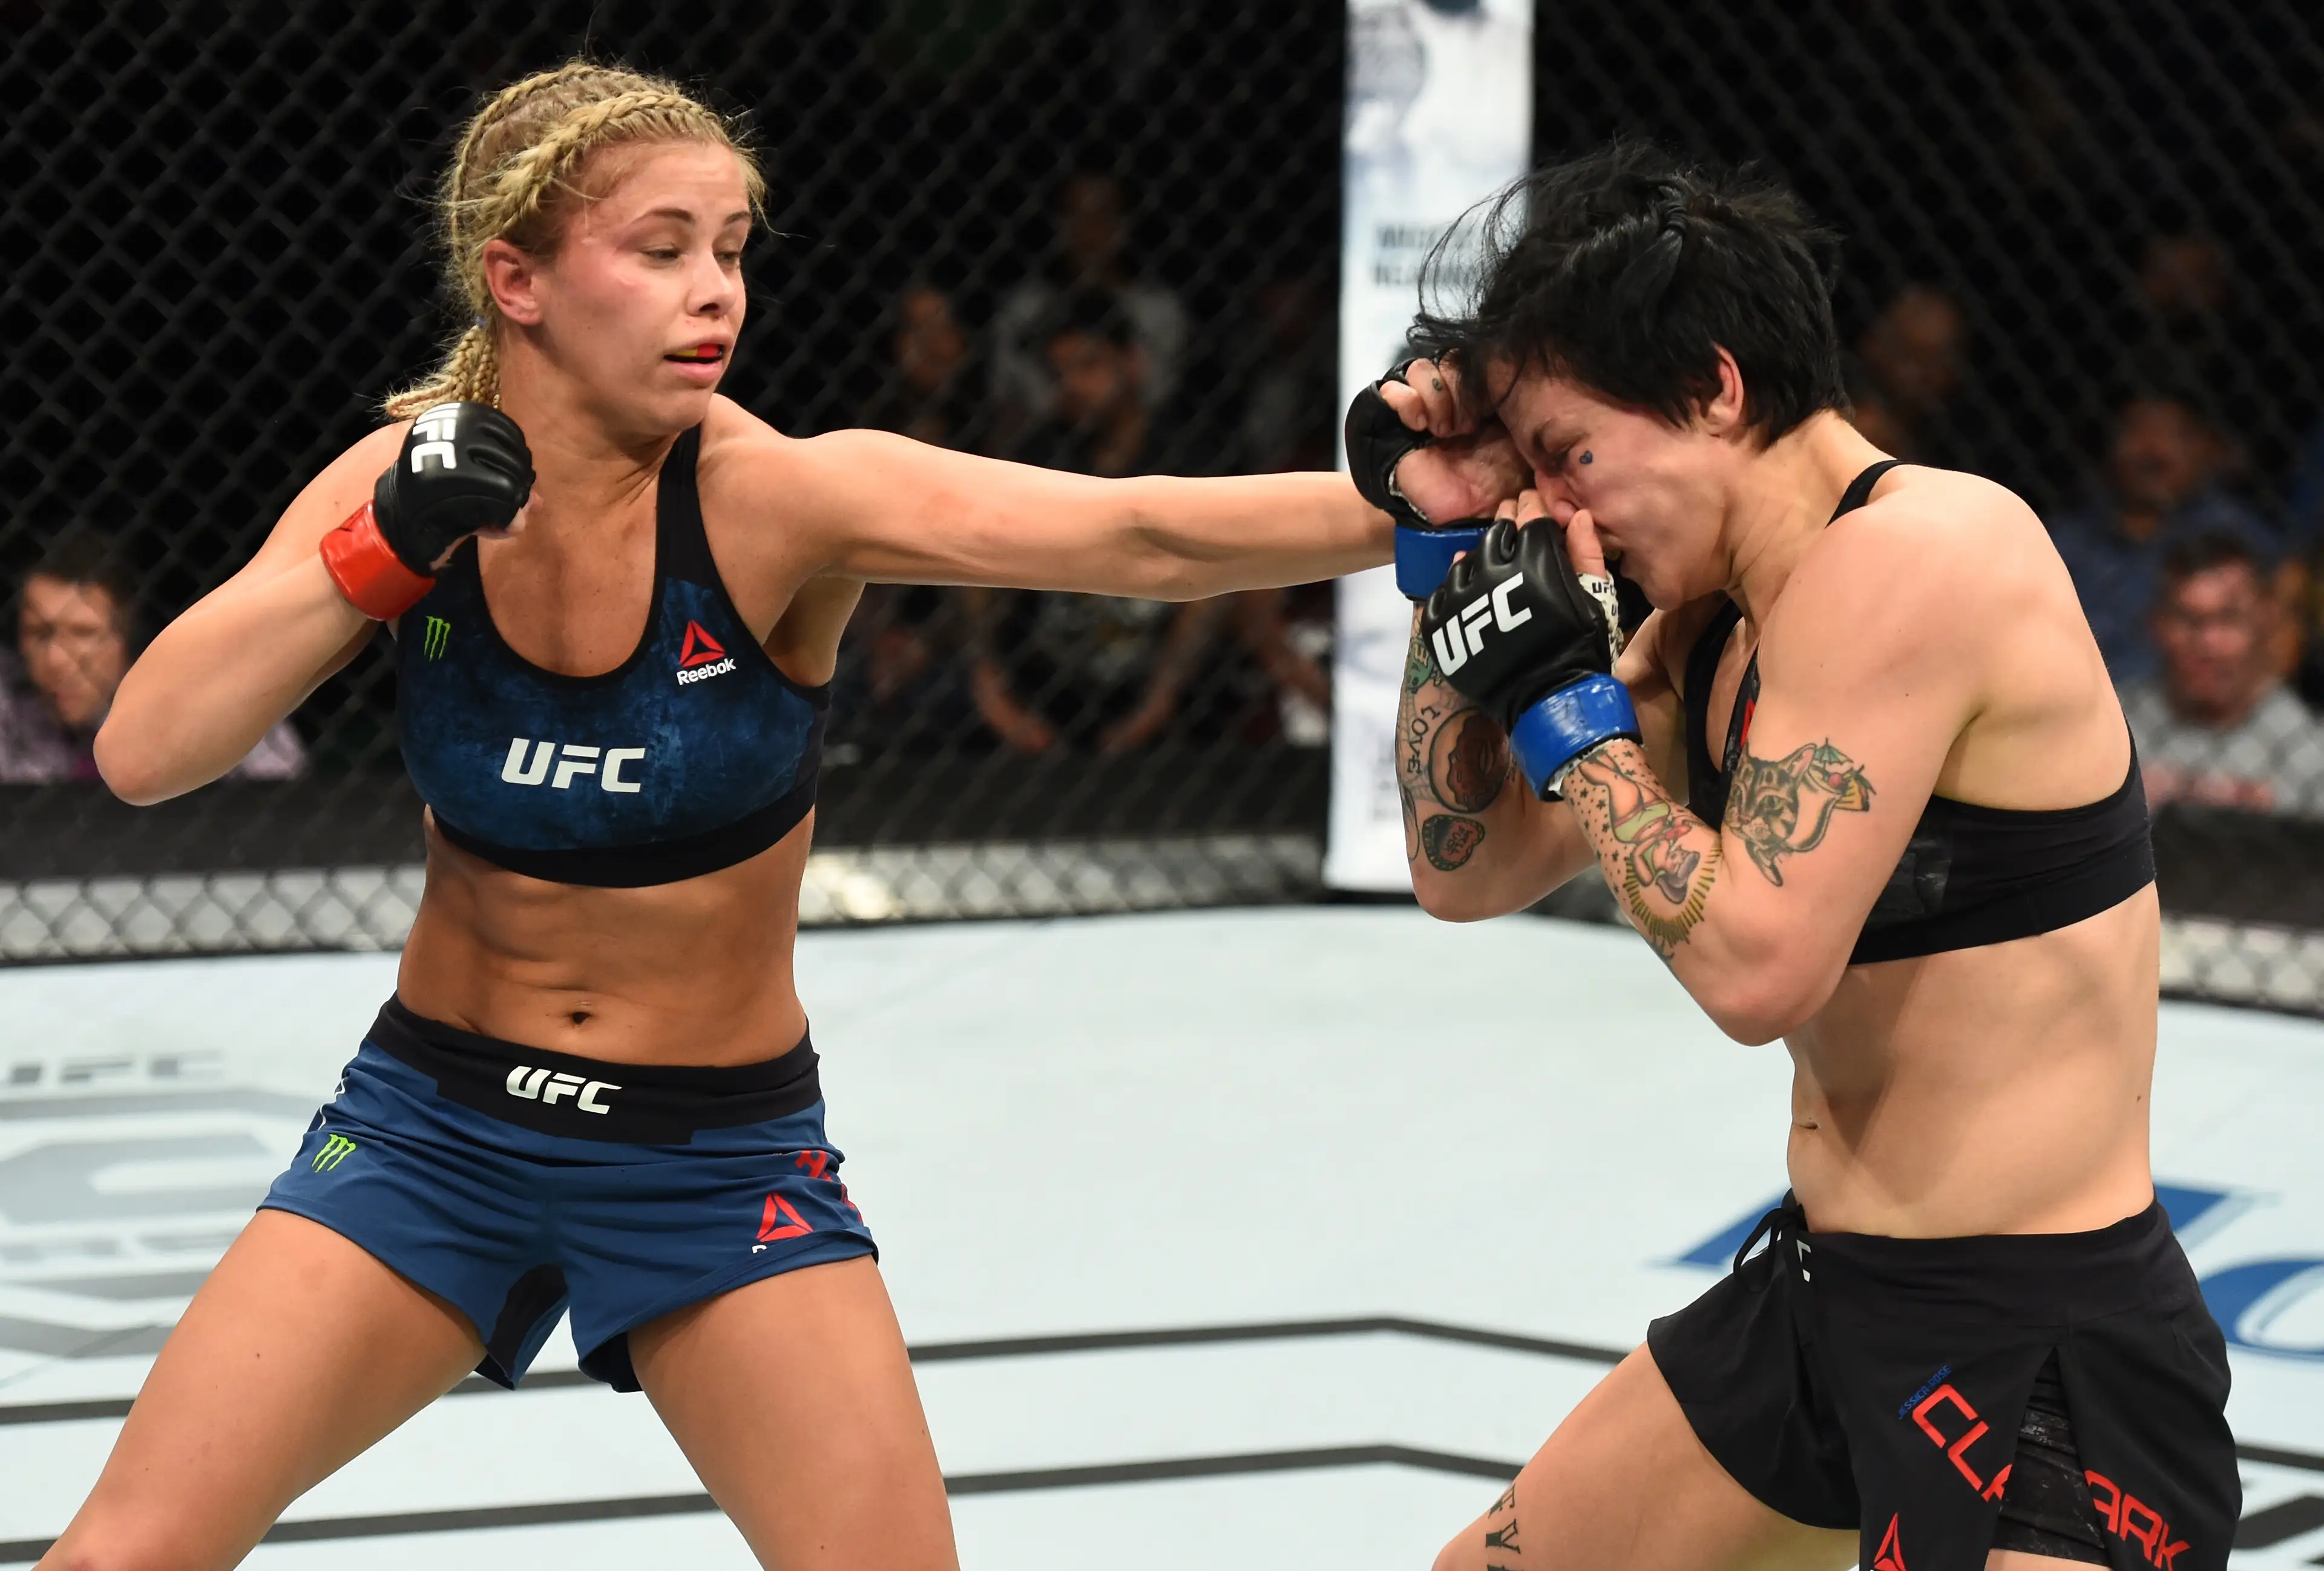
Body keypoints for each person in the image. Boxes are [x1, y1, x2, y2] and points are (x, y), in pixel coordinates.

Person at [42, 62, 1523, 1571]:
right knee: (115, 1557)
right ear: (519, 278)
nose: (715, 294)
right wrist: (376, 547)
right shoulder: (401, 488)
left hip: (708, 1158)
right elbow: (148, 751)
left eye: (733, 249)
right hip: (434, 1129)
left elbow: (1129, 532)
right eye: (662, 246)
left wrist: (1404, 496)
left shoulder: (779, 502)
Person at [1353, 143, 2237, 1571]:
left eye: (1571, 456)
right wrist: (1442, 554)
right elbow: (1463, 867)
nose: (1567, 516)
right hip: (1828, 1299)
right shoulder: (1707, 624)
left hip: (2042, 1354)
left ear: (1714, 387)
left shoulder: (1925, 552)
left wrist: (1562, 713)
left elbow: (1757, 964)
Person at [3, 532, 304, 784]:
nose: (57, 660)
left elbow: (282, 782)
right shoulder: (11, 706)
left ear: (126, 634)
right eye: (39, 633)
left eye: (83, 633)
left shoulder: (194, 696)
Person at [2047, 392, 2275, 684]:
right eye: (2136, 431)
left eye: (2174, 435)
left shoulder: (2239, 531)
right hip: (2083, 703)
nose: (2153, 450)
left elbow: (2283, 626)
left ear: (2207, 447)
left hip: (2204, 709)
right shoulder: (2066, 539)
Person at [2123, 533, 2324, 816]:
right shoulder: (2115, 725)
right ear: (2159, 624)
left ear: (2265, 622)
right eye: (2188, 620)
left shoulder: (2310, 748)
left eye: (2229, 618)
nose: (2209, 643)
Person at [988, 169, 1189, 439]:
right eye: (1076, 214)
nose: (1090, 229)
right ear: (1058, 223)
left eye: (1103, 214)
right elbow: (1005, 399)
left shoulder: (1158, 311)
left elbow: (1160, 396)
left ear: (1125, 223)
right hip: (1039, 447)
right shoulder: (1024, 309)